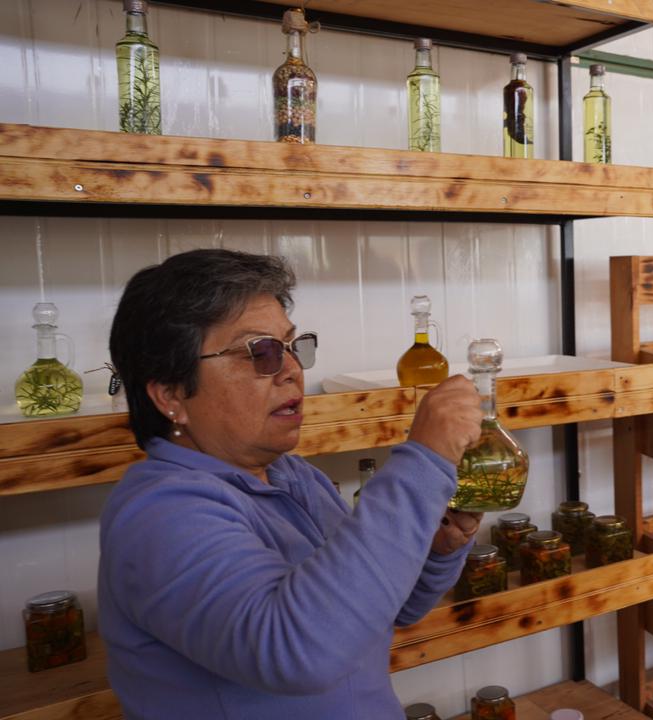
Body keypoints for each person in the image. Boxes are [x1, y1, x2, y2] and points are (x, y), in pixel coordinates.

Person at [98, 249, 484, 719]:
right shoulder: (158, 513)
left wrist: (436, 548)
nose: (293, 370)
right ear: (172, 394)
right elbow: (299, 650)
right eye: (259, 352)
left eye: (291, 346)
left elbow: (379, 608)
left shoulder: (292, 476)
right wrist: (423, 460)